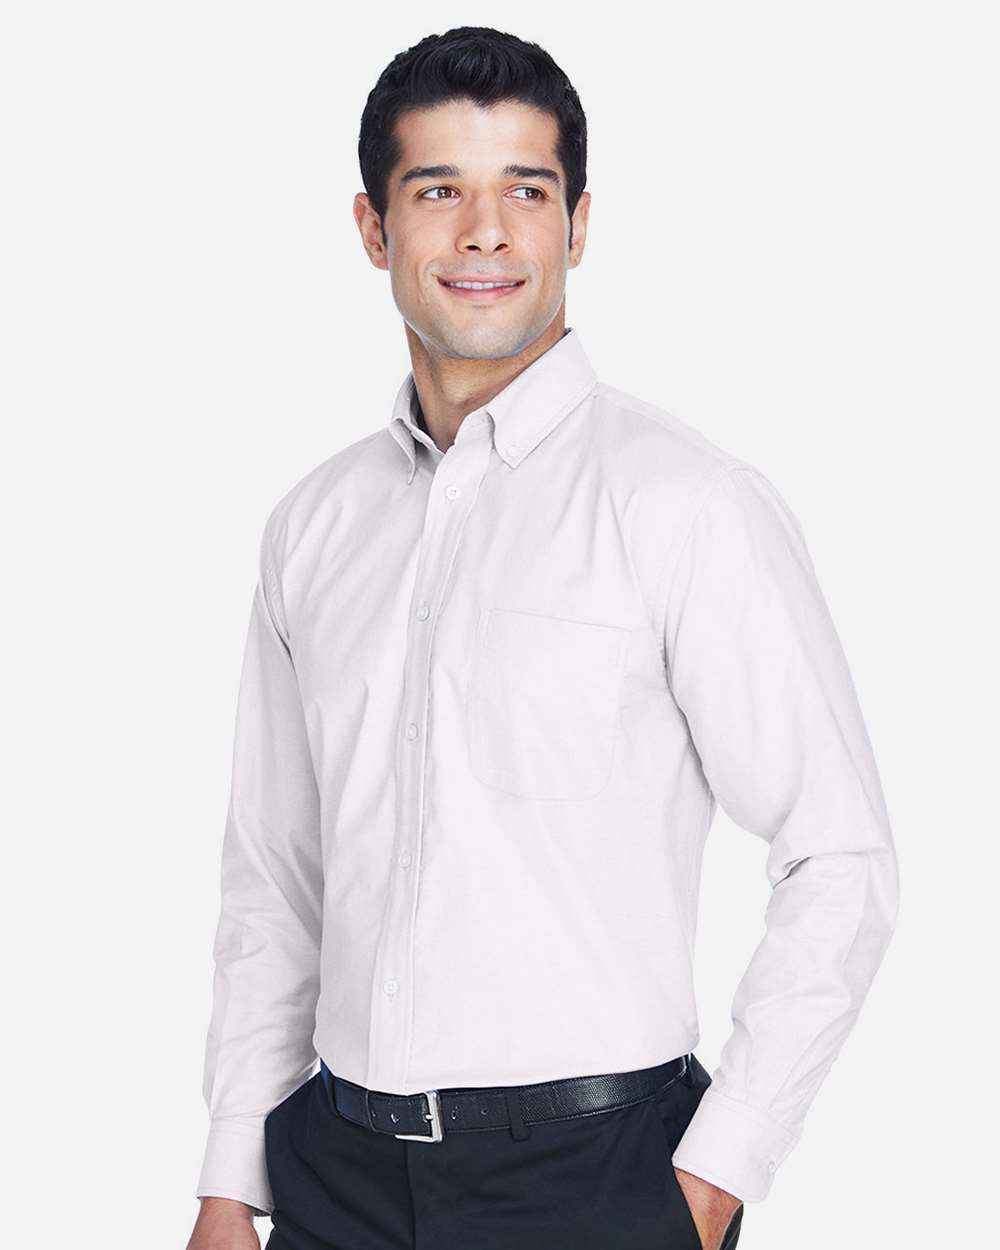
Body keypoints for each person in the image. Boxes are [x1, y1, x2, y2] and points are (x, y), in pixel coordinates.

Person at [187, 25, 899, 1250]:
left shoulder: (685, 504)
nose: (484, 232)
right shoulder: (315, 524)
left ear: (576, 227)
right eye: (438, 191)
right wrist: (231, 1174)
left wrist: (713, 1176)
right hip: (332, 1177)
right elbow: (276, 871)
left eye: (525, 189)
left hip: (597, 1177)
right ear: (372, 228)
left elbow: (839, 856)